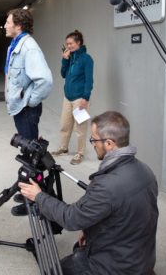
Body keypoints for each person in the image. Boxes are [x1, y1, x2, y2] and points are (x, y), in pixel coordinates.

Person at [19, 111, 158, 275]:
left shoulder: (107, 186)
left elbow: (71, 218)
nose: (92, 143)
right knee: (78, 248)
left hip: (116, 268)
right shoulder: (146, 171)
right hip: (142, 259)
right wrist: (88, 231)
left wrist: (38, 196)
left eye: (94, 139)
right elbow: (123, 213)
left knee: (53, 272)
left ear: (109, 143)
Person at [3, 8, 53, 141]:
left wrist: (30, 102)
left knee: (30, 148)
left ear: (18, 26)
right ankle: (31, 162)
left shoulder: (29, 48)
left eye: (8, 23)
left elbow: (45, 81)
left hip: (26, 109)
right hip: (19, 107)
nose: (5, 26)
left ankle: (34, 163)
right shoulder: (14, 46)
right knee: (27, 146)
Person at [51, 30, 94, 165]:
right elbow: (63, 74)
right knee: (64, 125)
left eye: (71, 43)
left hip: (80, 99)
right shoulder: (70, 57)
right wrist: (64, 60)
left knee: (80, 128)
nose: (68, 46)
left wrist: (85, 98)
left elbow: (89, 80)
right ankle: (64, 148)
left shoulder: (87, 59)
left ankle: (80, 153)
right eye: (67, 43)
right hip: (67, 98)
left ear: (78, 43)